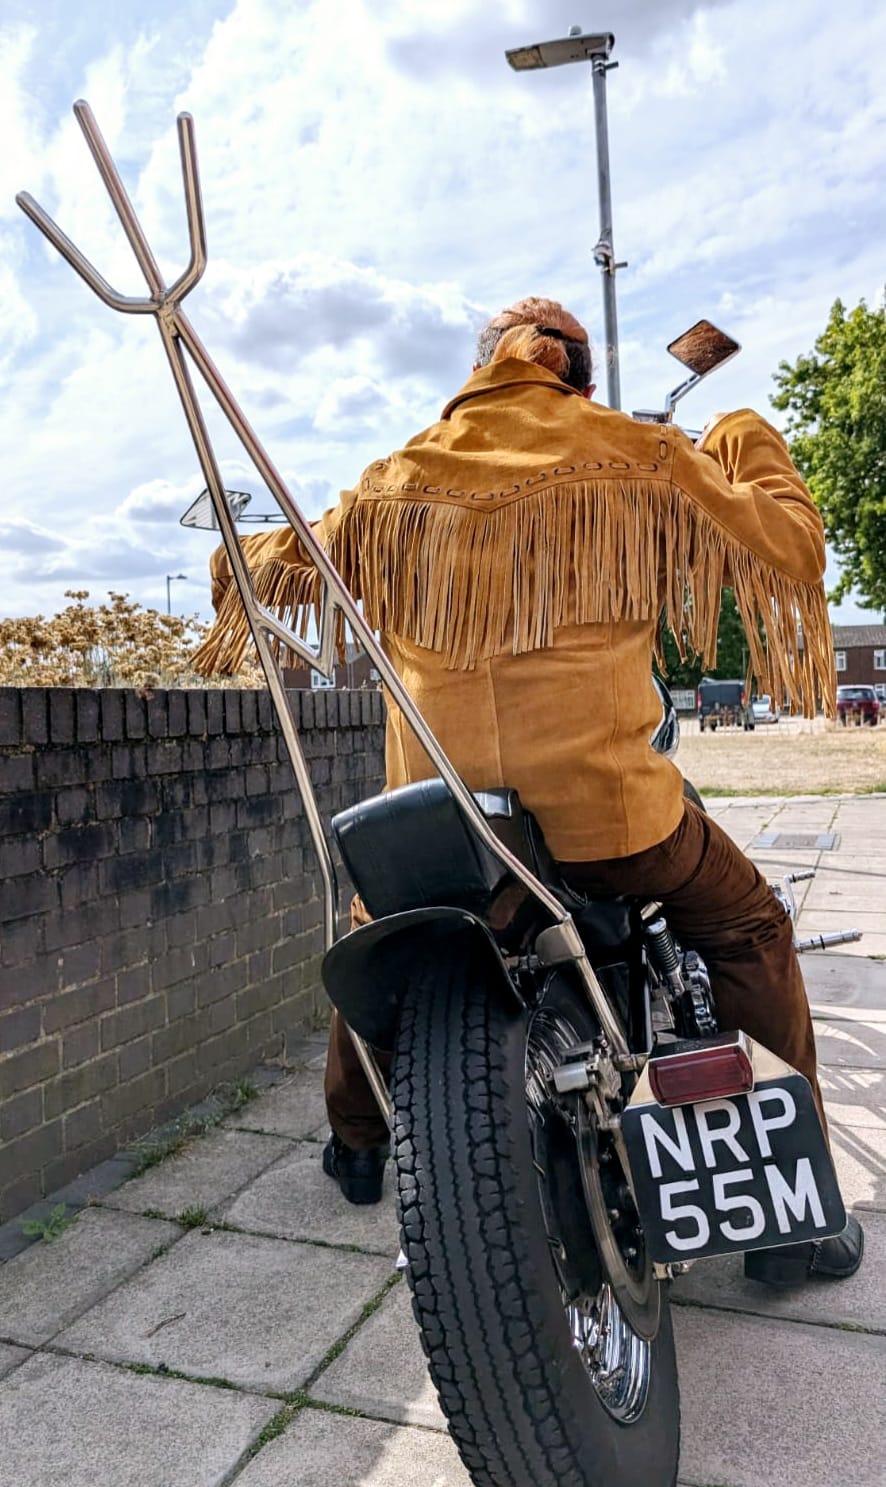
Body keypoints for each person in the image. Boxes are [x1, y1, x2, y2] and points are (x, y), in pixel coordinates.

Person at [196, 296, 862, 1285]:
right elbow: (792, 548)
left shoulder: (392, 482)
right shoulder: (636, 454)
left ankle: (358, 1143)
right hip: (613, 820)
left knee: (378, 927)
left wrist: (230, 550)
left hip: (441, 826)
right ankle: (786, 1213)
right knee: (749, 925)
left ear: (476, 373)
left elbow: (252, 572)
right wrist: (741, 433)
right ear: (579, 379)